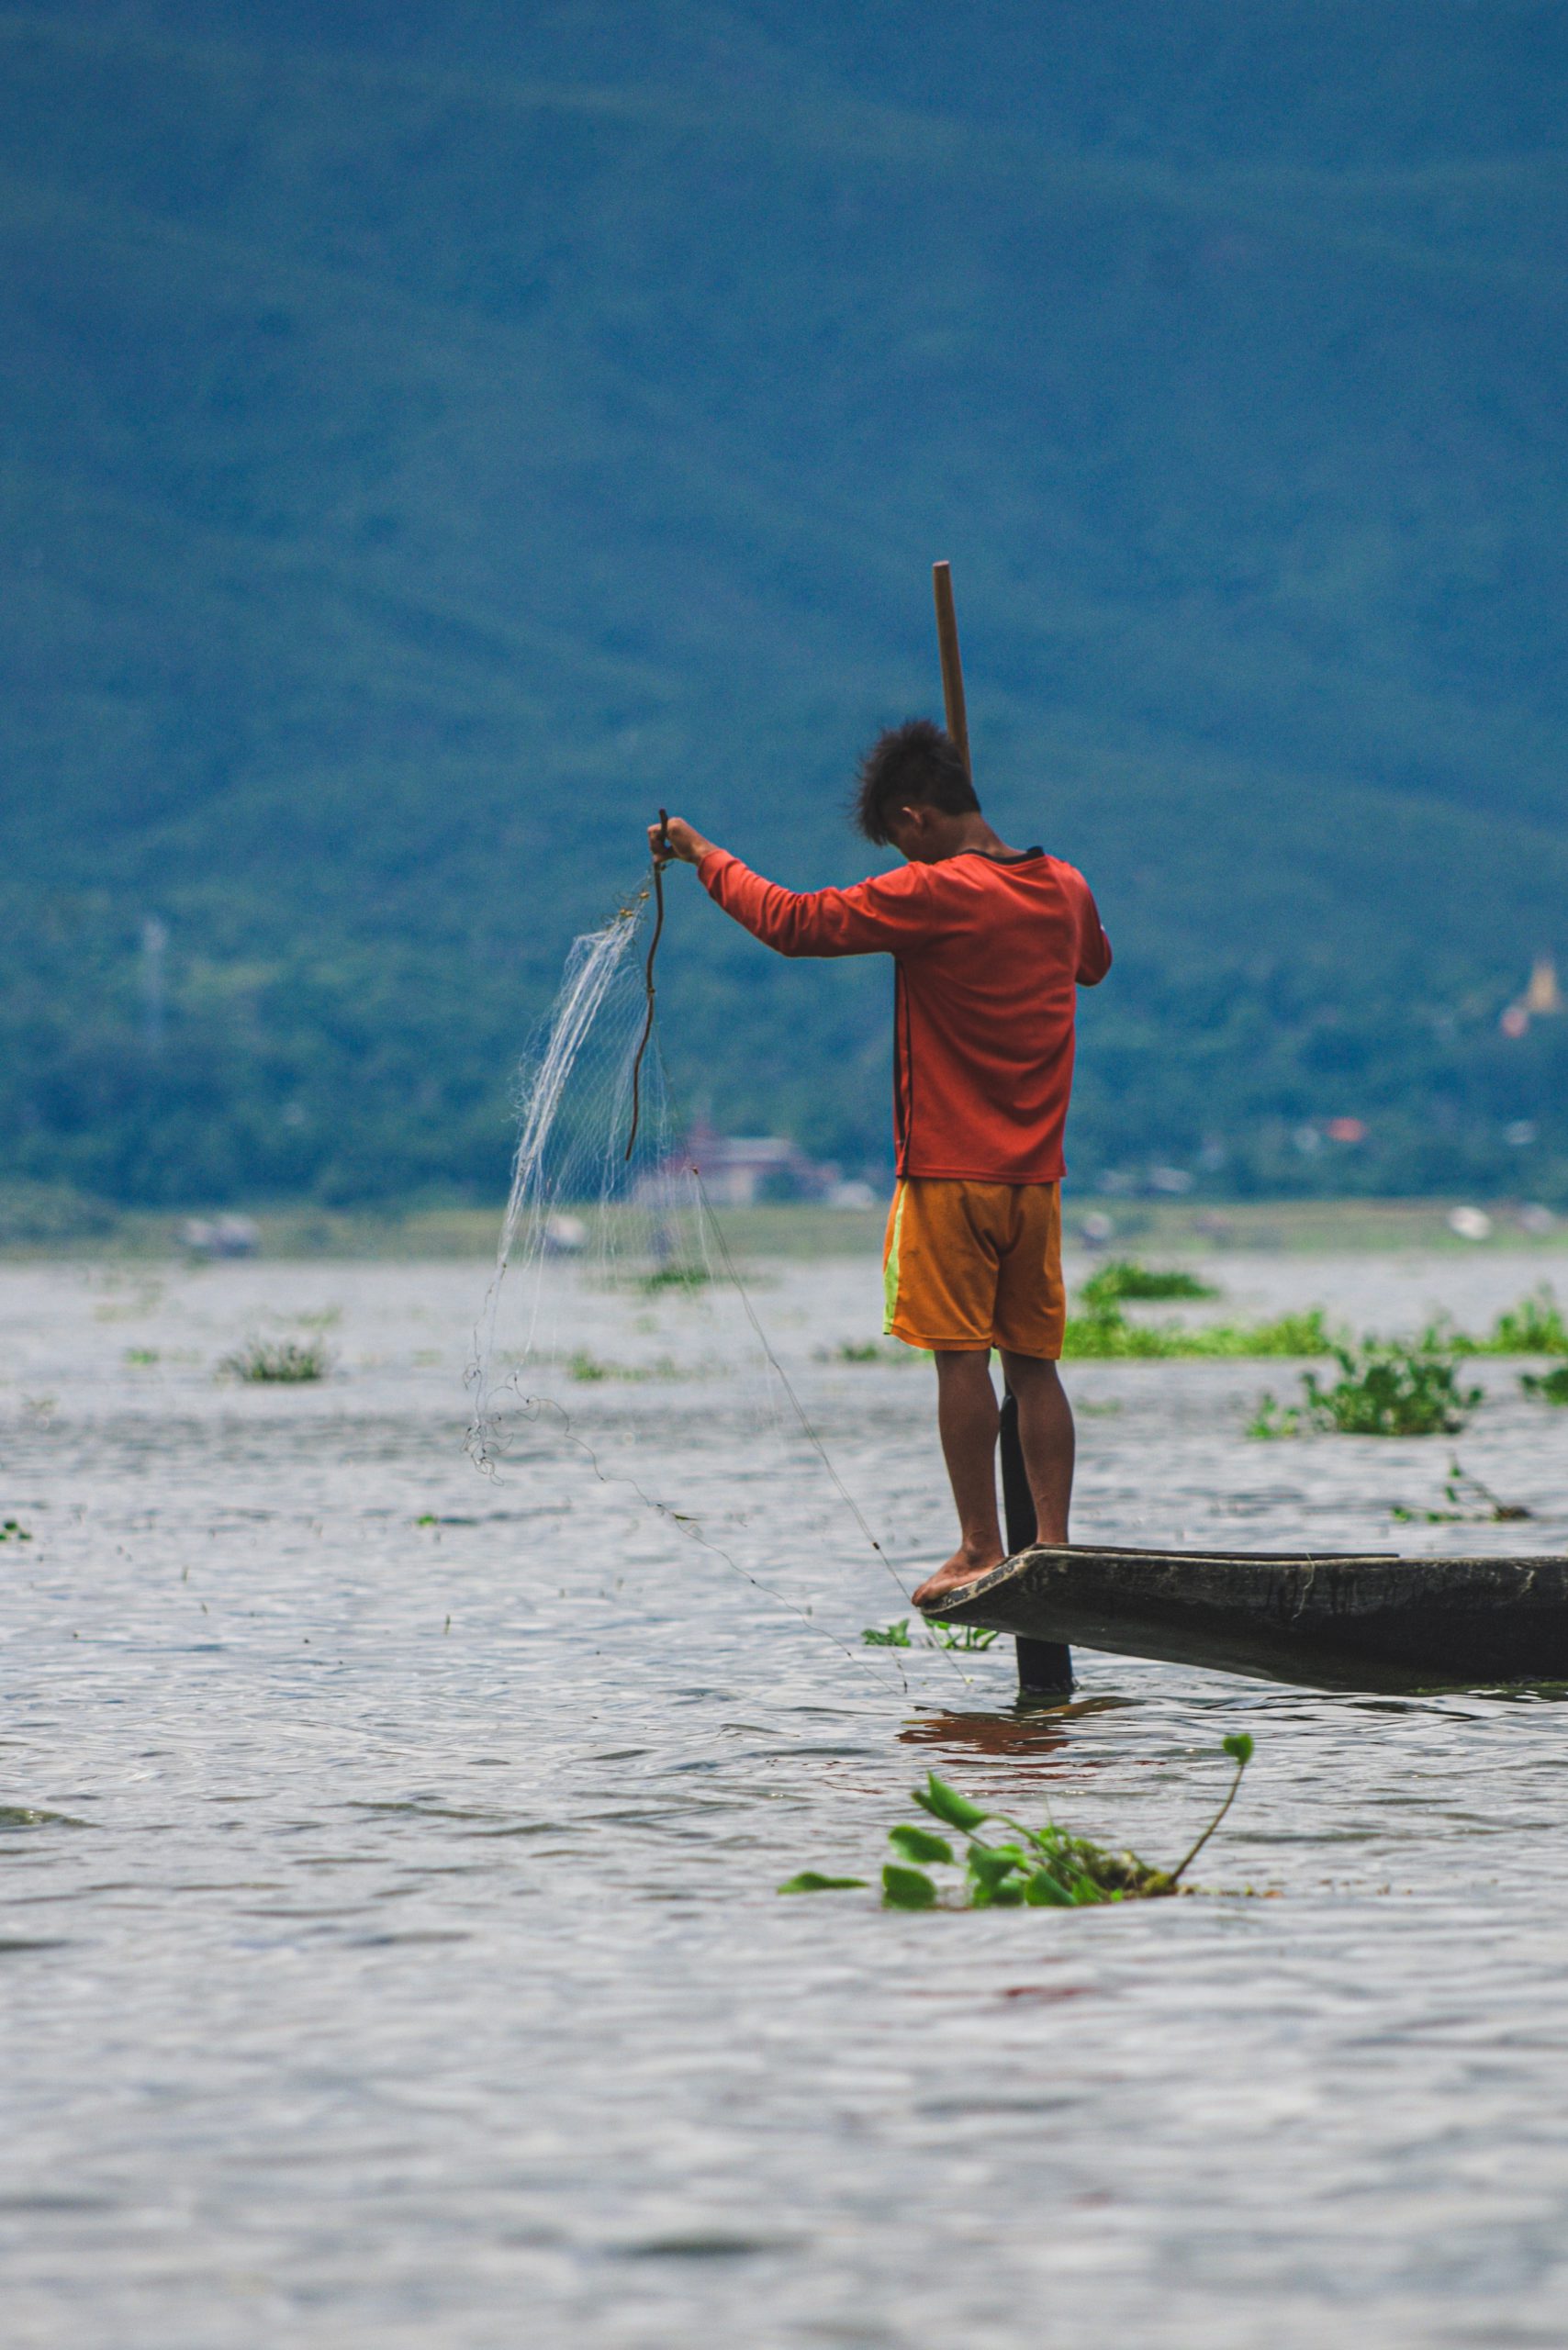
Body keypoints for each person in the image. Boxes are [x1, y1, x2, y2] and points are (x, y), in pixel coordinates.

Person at [650, 719, 1111, 1606]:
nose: (902, 856)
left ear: (917, 818)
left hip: (948, 1171)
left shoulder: (935, 892)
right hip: (1036, 1179)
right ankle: (1056, 1545)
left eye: (900, 840)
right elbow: (1092, 965)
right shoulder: (1066, 887)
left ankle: (981, 1544)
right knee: (1034, 1363)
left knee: (957, 1357)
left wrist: (700, 851)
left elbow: (791, 923)